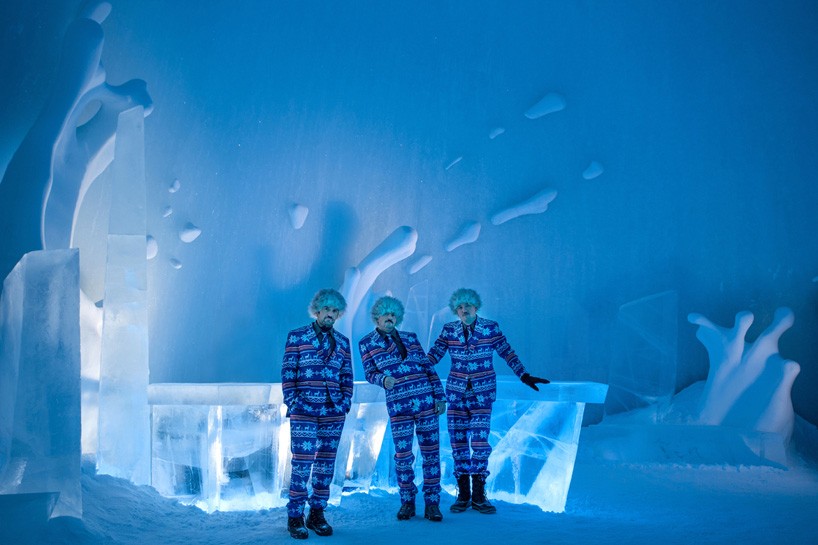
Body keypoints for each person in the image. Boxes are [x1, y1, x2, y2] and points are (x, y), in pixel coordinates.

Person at [427, 288, 549, 514]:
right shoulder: (449, 330)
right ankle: (463, 494)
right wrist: (411, 370)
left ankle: (479, 494)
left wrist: (524, 375)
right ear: (456, 309)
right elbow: (433, 356)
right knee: (458, 445)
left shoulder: (490, 327)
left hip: (482, 395)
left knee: (481, 445)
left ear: (476, 307)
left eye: (468, 306)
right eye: (460, 307)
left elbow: (507, 352)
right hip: (455, 395)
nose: (464, 310)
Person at [358, 296, 447, 522]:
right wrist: (382, 379)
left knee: (431, 453)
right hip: (399, 405)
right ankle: (407, 500)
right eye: (387, 315)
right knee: (403, 456)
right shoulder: (366, 343)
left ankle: (432, 503)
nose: (391, 318)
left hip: (426, 401)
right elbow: (369, 373)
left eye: (394, 315)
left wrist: (439, 396)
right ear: (377, 317)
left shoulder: (410, 337)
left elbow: (428, 367)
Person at [282, 288, 354, 539]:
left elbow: (347, 376)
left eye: (335, 311)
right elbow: (288, 372)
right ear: (317, 310)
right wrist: (293, 401)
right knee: (302, 462)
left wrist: (345, 402)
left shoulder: (343, 343)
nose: (330, 315)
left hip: (333, 411)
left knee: (325, 465)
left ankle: (317, 513)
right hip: (304, 410)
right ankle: (295, 516)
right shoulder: (297, 336)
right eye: (327, 310)